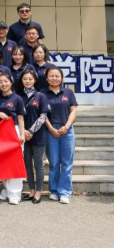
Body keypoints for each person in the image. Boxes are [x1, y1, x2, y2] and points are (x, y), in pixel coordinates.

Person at [44, 66, 78, 204]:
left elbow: (73, 111)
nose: (54, 78)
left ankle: (64, 192)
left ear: (62, 78)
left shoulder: (68, 92)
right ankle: (54, 191)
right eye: (51, 76)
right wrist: (51, 129)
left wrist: (67, 126)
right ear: (46, 78)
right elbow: (42, 114)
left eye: (57, 76)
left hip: (67, 130)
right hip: (50, 130)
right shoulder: (42, 94)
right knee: (54, 162)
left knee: (67, 162)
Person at [0, 73, 26, 205]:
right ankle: (7, 190)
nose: (3, 84)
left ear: (11, 82)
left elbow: (21, 117)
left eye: (6, 81)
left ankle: (15, 194)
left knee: (15, 162)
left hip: (13, 131)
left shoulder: (17, 98)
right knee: (3, 162)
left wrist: (22, 134)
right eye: (0, 82)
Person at [18, 69, 49, 204]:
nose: (28, 81)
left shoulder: (41, 96)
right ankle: (31, 190)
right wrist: (23, 132)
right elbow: (17, 116)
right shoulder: (18, 96)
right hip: (23, 136)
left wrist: (30, 131)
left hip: (38, 136)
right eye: (25, 79)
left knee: (38, 165)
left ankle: (38, 192)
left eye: (30, 79)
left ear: (35, 80)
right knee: (27, 164)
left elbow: (43, 116)